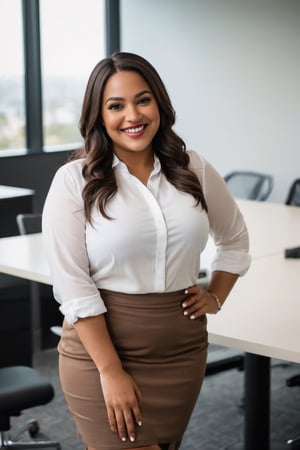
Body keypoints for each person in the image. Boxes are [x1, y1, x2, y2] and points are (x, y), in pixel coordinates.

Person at [42, 51, 251, 450]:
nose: (132, 116)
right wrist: (110, 371)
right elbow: (74, 288)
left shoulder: (193, 168)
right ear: (99, 116)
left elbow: (235, 239)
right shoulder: (74, 181)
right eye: (115, 106)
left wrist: (217, 295)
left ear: (159, 103)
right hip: (102, 353)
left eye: (142, 100)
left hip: (181, 351)